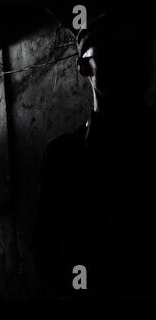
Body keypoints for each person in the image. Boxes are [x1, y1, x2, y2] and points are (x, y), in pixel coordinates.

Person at [34, 13, 156, 298]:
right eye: (115, 54)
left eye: (139, 53)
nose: (131, 64)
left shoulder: (64, 156)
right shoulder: (62, 157)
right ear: (82, 67)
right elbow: (49, 257)